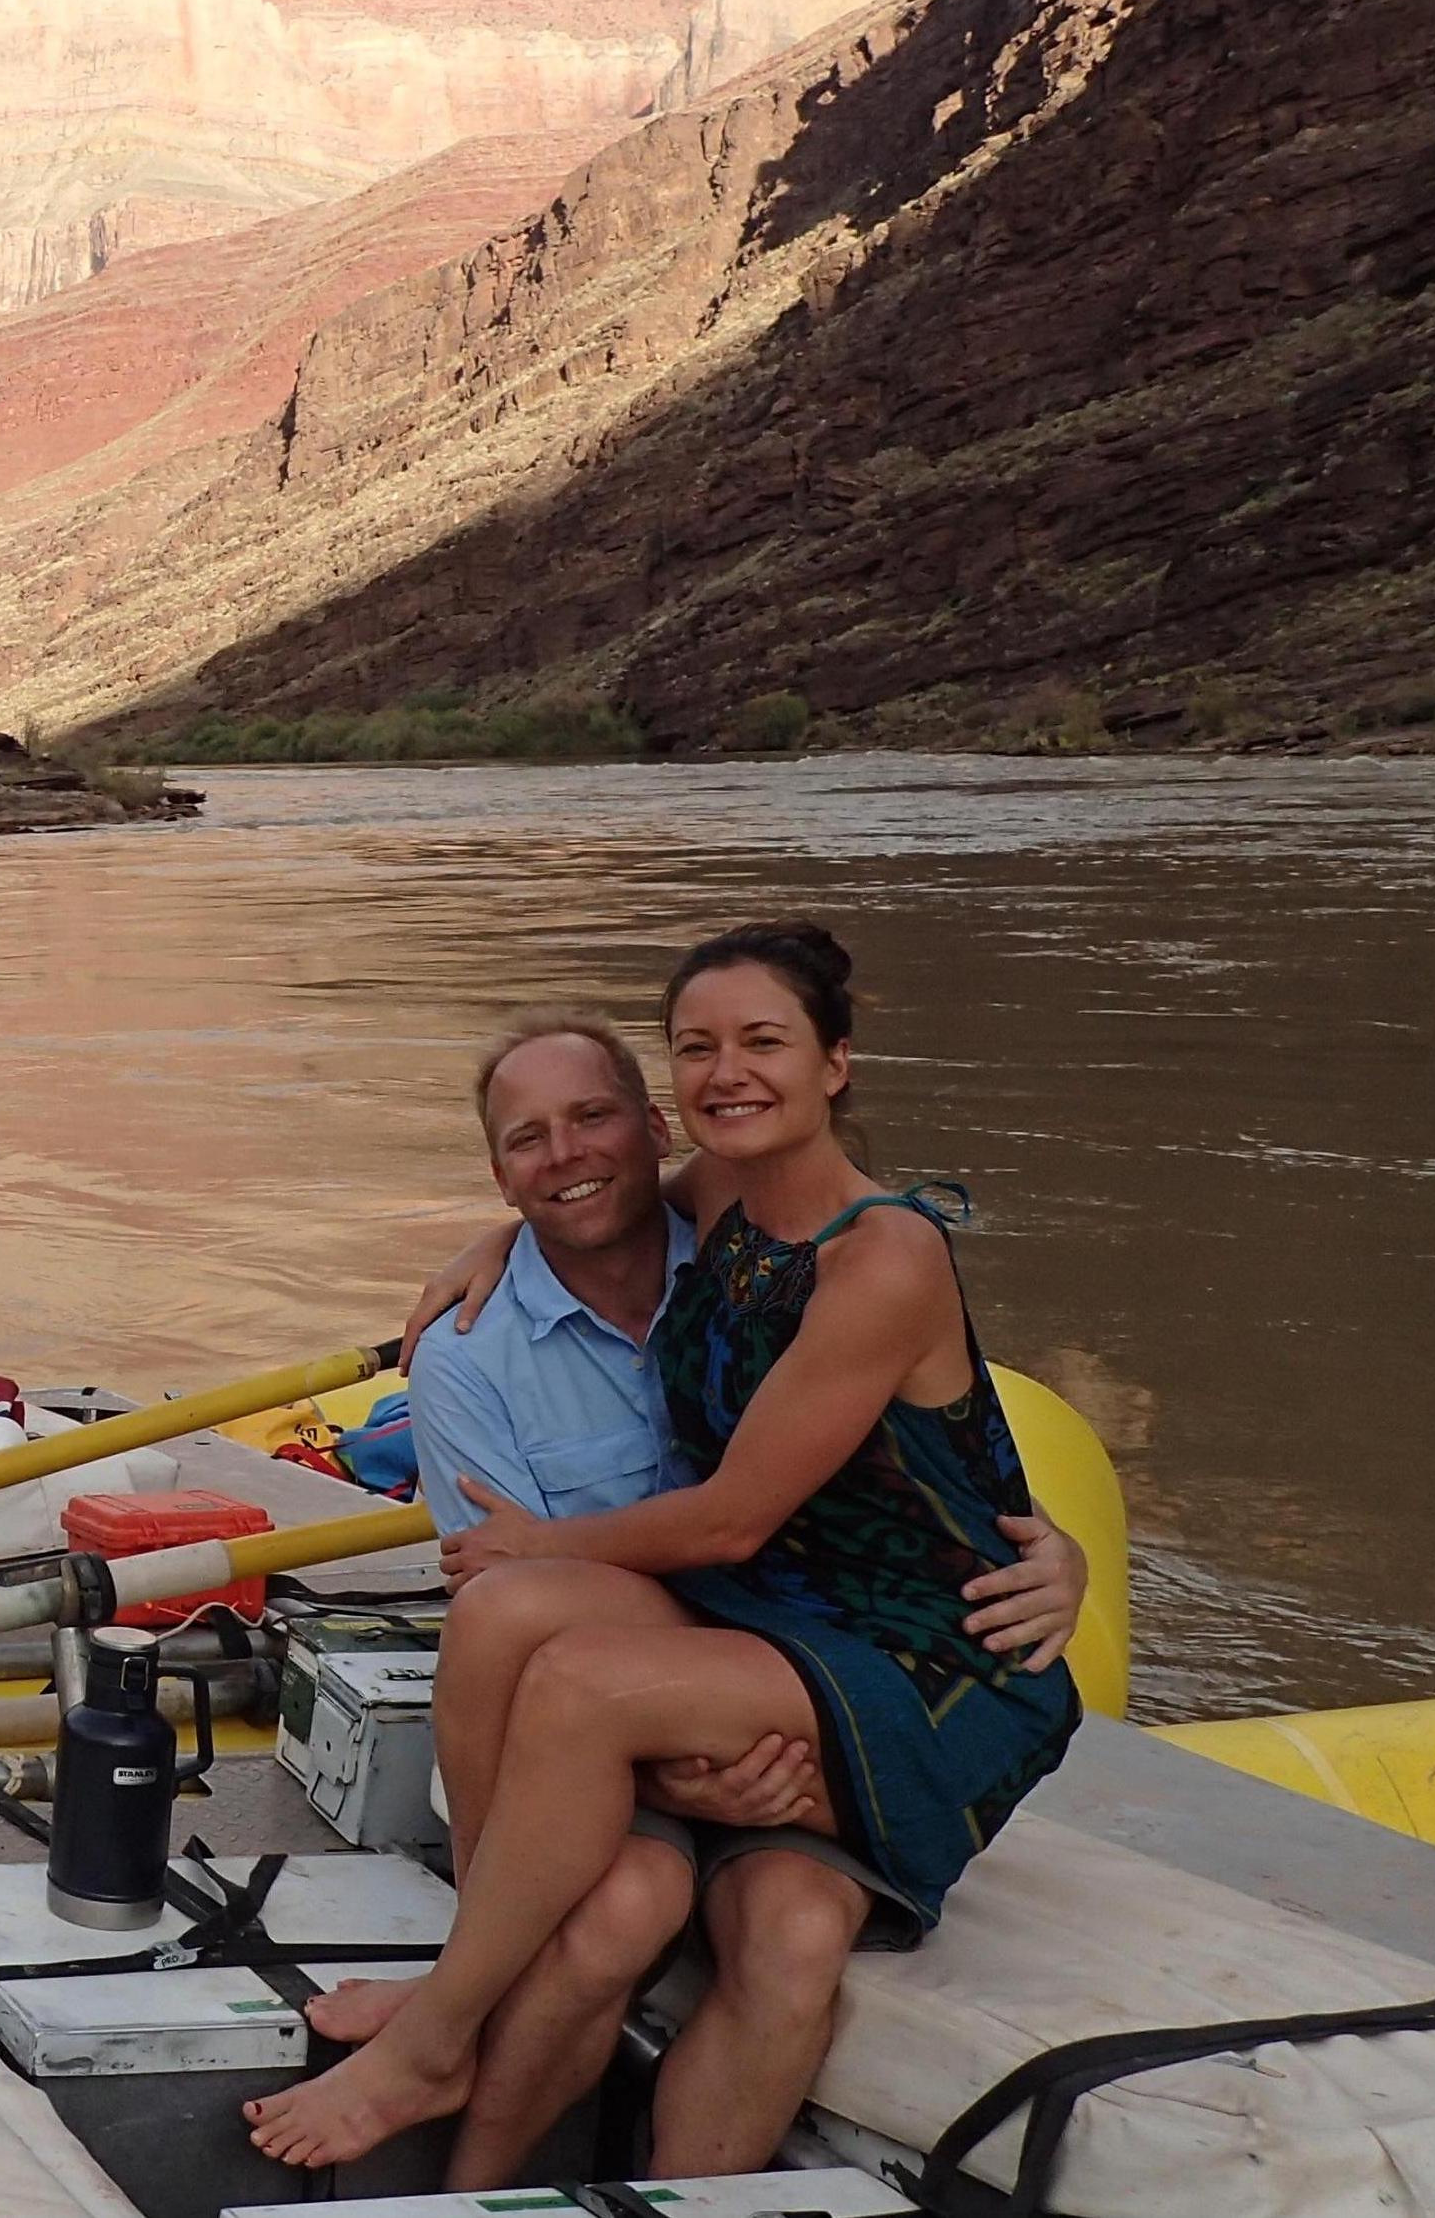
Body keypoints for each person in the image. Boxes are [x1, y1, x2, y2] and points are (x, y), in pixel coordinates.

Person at [248, 925, 1086, 2172]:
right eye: (698, 1045)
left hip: (926, 1654)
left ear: (836, 1061)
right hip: (776, 1616)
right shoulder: (724, 1194)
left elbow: (733, 1515)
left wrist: (544, 1543)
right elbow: (581, 1198)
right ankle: (489, 2166)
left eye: (762, 1041)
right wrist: (490, 1243)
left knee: (616, 1718)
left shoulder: (885, 1252)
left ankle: (440, 2035)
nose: (725, 1070)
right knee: (520, 1634)